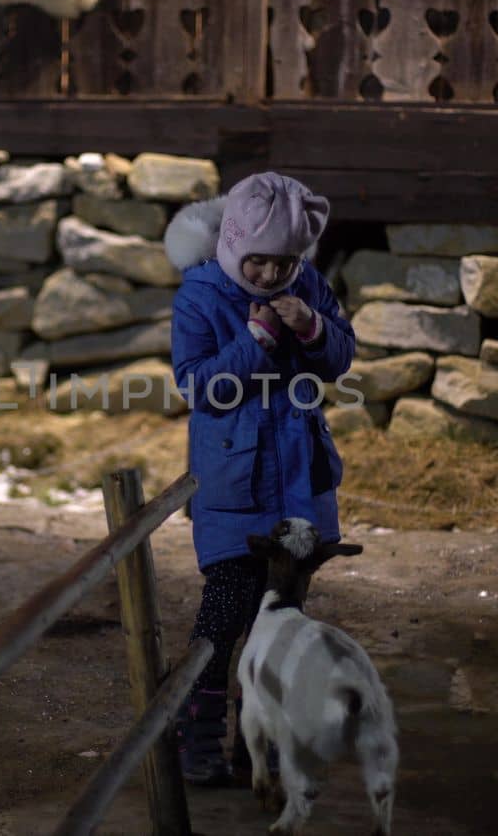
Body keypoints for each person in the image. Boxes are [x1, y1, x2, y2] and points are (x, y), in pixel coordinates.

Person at [163, 172, 356, 786]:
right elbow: (198, 386)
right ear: (233, 242)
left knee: (282, 618)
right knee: (222, 618)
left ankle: (260, 743)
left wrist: (313, 330)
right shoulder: (200, 295)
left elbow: (340, 358)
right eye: (259, 261)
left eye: (285, 262)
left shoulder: (310, 286)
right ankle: (194, 738)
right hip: (233, 482)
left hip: (300, 479)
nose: (272, 276)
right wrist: (256, 343)